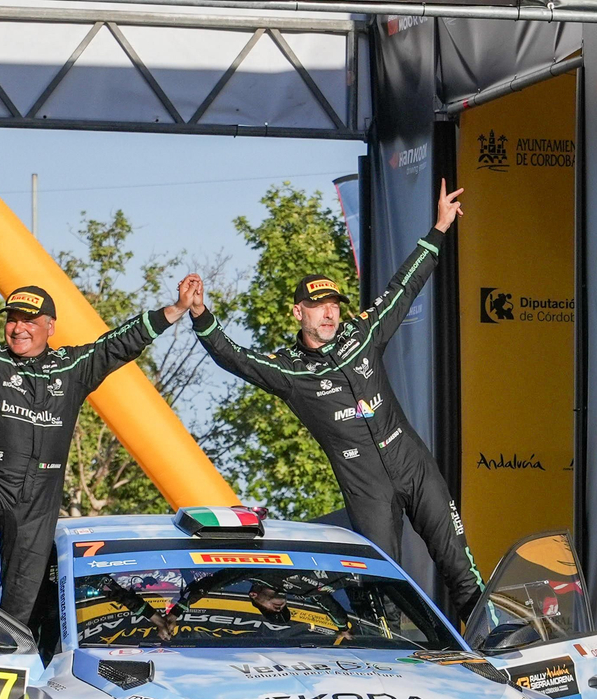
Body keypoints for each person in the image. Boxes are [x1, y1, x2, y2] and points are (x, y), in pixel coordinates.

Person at [184, 182, 484, 619]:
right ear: (298, 313)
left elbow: (404, 287)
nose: (328, 312)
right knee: (381, 591)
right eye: (317, 305)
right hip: (367, 489)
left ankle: (497, 653)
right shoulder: (289, 370)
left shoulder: (361, 335)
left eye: (333, 305)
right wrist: (200, 316)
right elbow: (234, 357)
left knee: (460, 568)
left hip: (412, 464)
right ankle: (389, 672)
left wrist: (438, 228)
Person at [0, 235, 191, 625]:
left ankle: (2, 640)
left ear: (50, 326)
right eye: (13, 319)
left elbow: (119, 344)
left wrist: (174, 310)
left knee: (22, 591)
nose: (19, 328)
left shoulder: (72, 367)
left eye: (29, 320)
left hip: (41, 491)